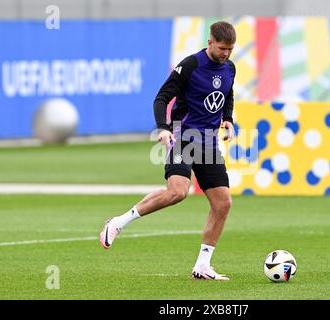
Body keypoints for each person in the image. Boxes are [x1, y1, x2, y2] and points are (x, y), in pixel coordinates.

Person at [100, 21, 237, 281]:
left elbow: (227, 94)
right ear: (210, 42)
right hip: (183, 135)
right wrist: (163, 128)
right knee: (177, 192)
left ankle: (202, 266)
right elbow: (161, 97)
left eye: (230, 49)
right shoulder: (190, 66)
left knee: (223, 203)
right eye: (222, 48)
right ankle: (118, 222)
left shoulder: (229, 67)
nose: (226, 54)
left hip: (208, 142)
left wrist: (227, 119)